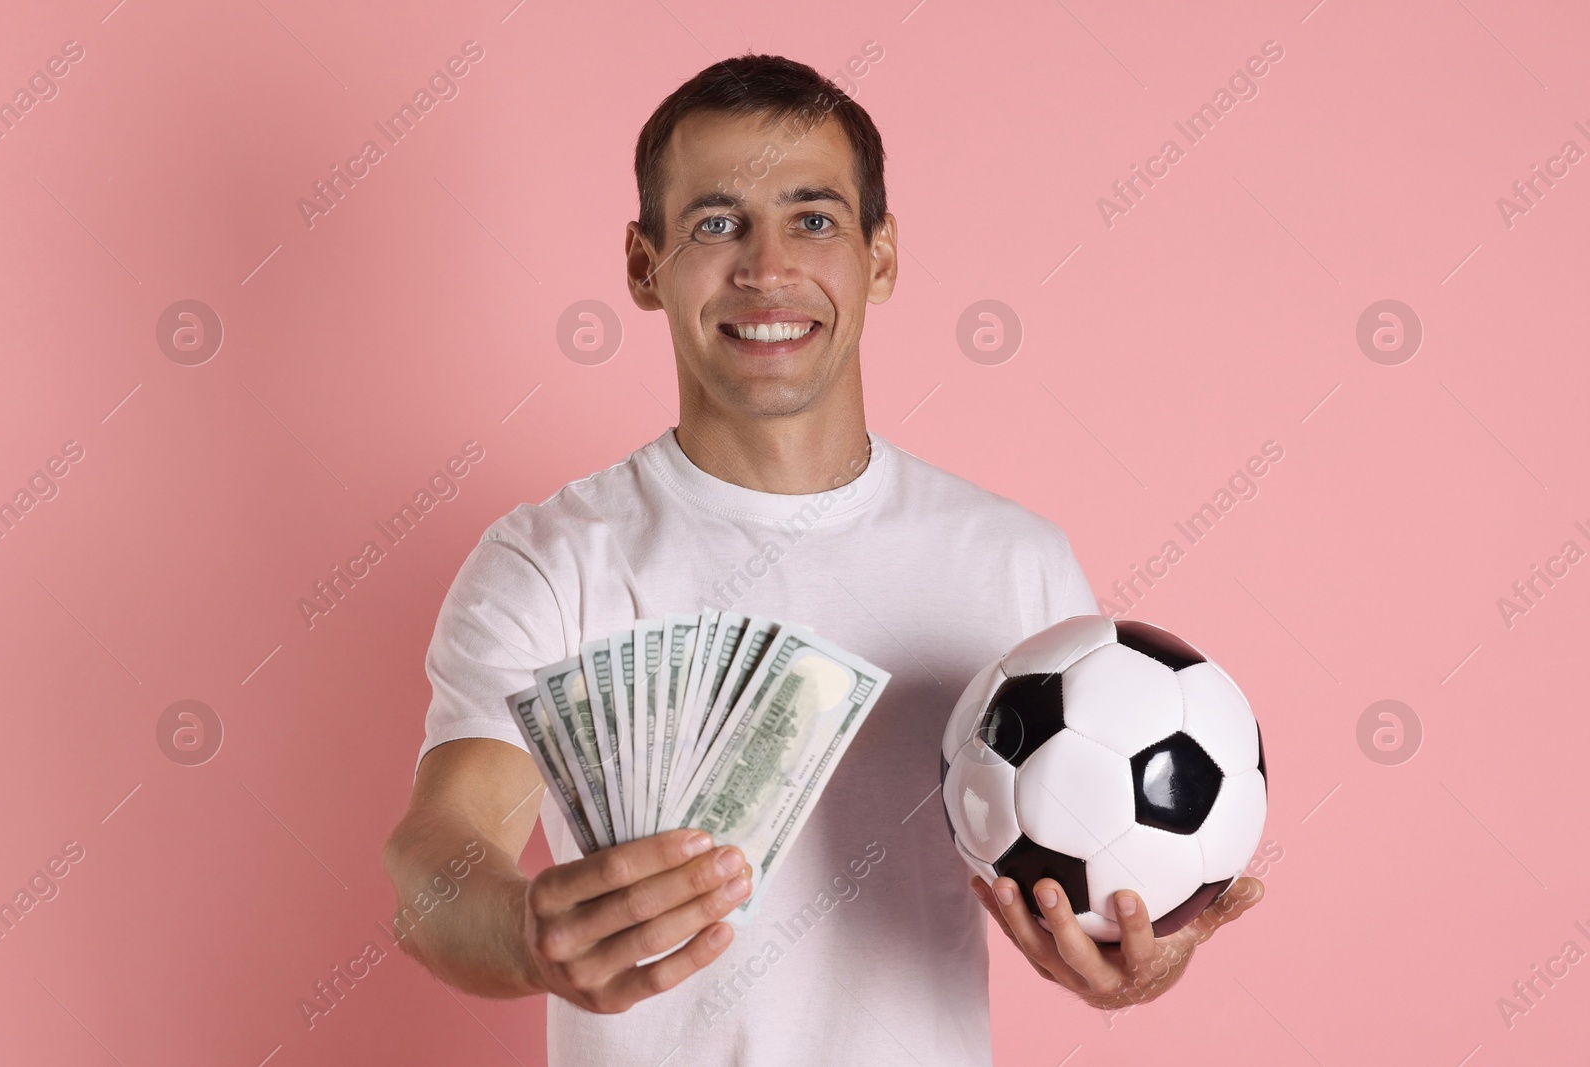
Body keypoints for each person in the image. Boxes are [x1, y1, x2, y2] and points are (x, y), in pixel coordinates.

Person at [381, 53, 1263, 1066]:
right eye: (716, 222)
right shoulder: (549, 561)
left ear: (879, 255)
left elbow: (1113, 871)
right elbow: (435, 858)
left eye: (812, 218)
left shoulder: (1011, 562)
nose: (765, 268)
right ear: (642, 262)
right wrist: (524, 930)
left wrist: (1147, 955)